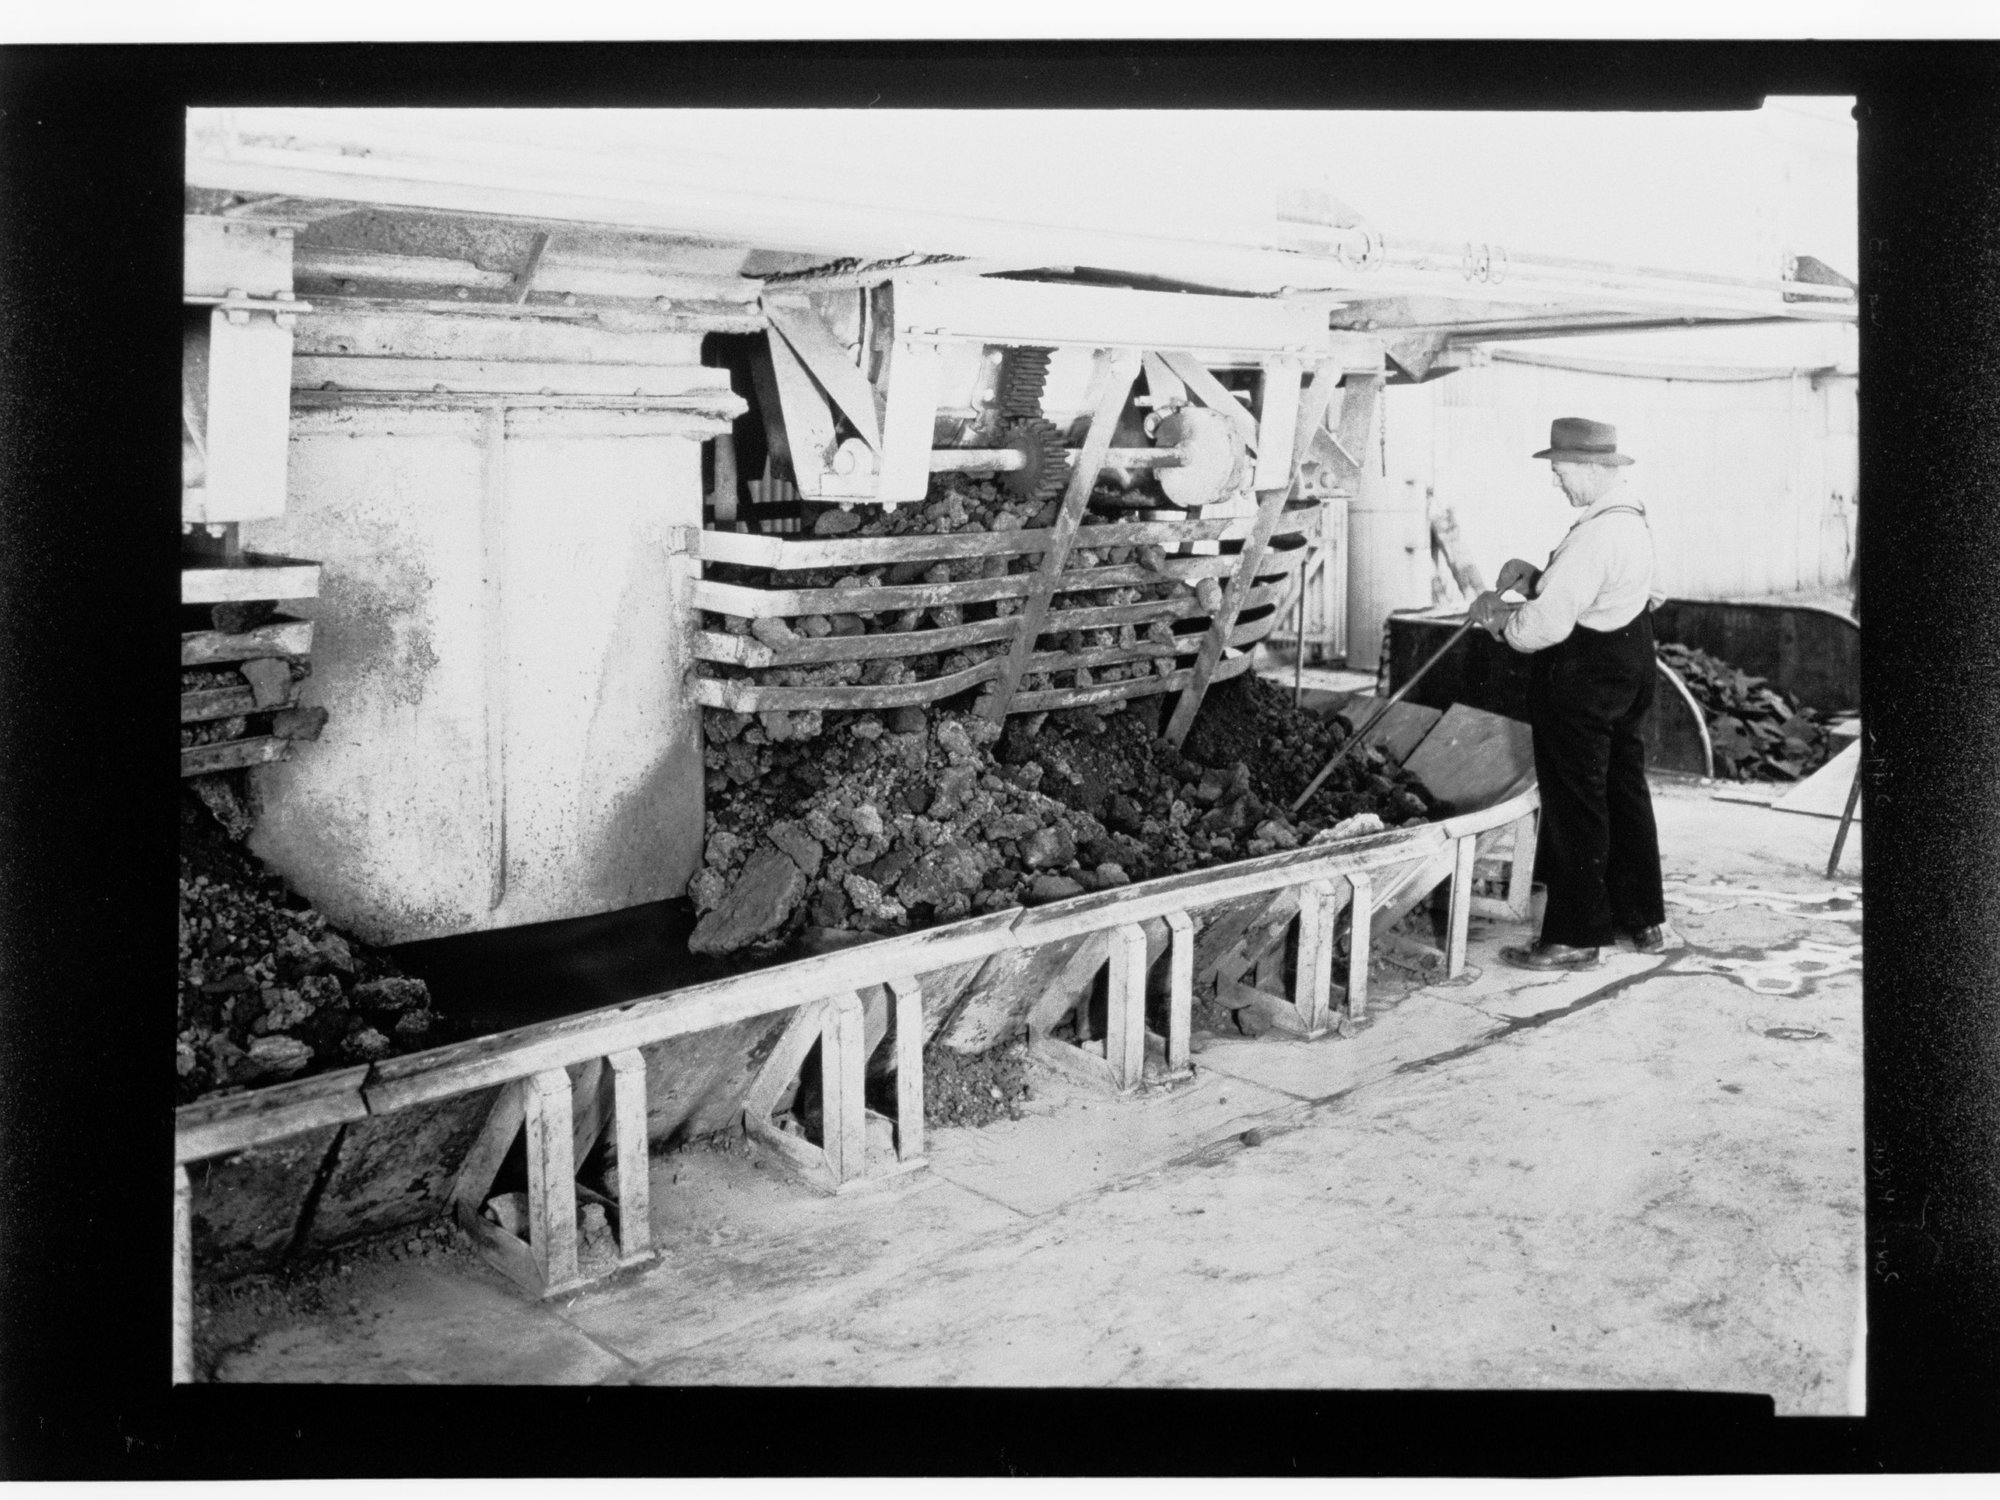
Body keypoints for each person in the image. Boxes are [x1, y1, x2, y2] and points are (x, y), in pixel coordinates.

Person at [1466, 417, 1679, 970]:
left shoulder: (1593, 534)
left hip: (1582, 682)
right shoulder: (1632, 518)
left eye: (1560, 472)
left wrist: (1496, 620)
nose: (1556, 482)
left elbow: (1543, 629)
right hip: (1629, 669)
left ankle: (1575, 936)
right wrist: (1538, 578)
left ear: (1590, 467)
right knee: (1621, 792)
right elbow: (1639, 592)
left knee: (1574, 805)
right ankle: (1645, 919)